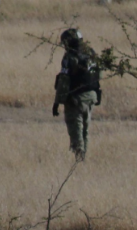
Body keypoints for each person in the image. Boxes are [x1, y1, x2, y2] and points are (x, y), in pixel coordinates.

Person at [52, 28, 102, 162]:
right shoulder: (91, 53)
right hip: (91, 96)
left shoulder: (70, 56)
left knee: (76, 129)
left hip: (75, 99)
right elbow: (98, 74)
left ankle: (79, 159)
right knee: (85, 129)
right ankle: (83, 156)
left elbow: (63, 80)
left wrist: (57, 102)